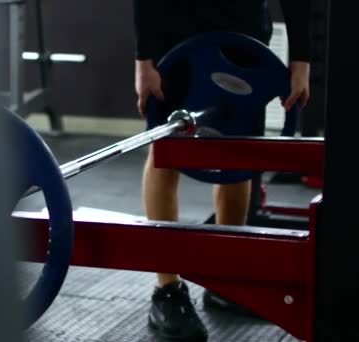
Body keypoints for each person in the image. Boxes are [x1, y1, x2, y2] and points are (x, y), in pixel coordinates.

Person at [133, 1, 312, 340]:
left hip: (243, 39)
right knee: (166, 156)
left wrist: (300, 60)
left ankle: (224, 280)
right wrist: (143, 59)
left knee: (238, 158)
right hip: (175, 37)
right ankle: (167, 290)